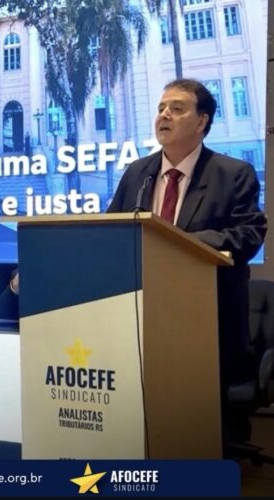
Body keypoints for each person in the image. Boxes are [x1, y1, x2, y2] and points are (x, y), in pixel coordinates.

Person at [108, 78, 267, 447]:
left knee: (202, 431)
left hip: (206, 321)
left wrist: (178, 244)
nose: (164, 115)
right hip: (142, 319)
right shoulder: (137, 173)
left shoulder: (232, 173)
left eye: (177, 109)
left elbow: (249, 234)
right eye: (161, 108)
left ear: (201, 121)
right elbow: (112, 231)